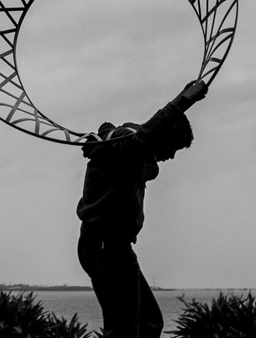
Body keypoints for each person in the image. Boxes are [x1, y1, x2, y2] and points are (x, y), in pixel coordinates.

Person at [76, 78, 210, 338]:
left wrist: (104, 146)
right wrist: (184, 100)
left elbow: (149, 165)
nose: (170, 156)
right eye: (172, 148)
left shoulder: (125, 151)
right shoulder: (127, 144)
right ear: (163, 136)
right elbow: (145, 139)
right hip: (106, 247)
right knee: (124, 330)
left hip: (114, 247)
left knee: (149, 324)